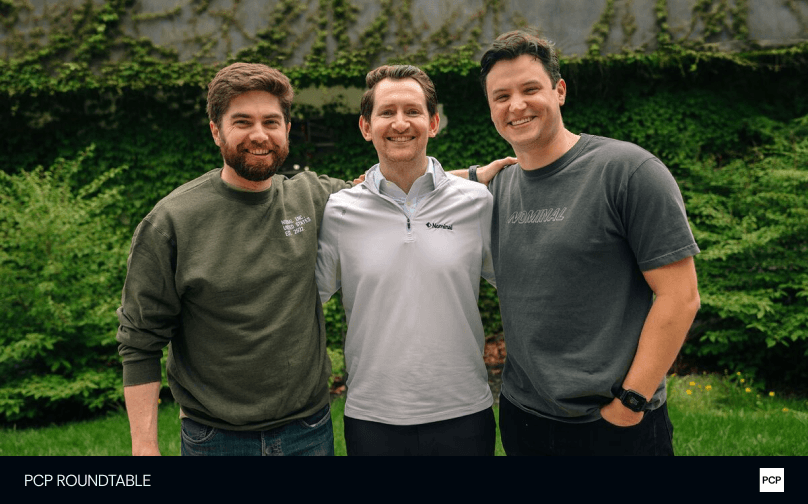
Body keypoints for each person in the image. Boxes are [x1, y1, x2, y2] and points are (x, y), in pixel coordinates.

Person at [477, 31, 701, 455]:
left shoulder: (628, 172)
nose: (516, 105)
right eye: (501, 96)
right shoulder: (496, 188)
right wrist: (474, 174)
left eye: (530, 89)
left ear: (559, 91)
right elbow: (410, 187)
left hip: (615, 421)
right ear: (491, 109)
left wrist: (630, 403)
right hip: (524, 416)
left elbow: (680, 296)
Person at [116, 62, 356, 456]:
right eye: (242, 121)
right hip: (215, 440)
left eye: (271, 121)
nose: (259, 135)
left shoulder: (311, 198)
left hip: (309, 432)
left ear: (287, 129)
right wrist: (145, 448)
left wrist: (474, 176)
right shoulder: (171, 221)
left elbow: (393, 192)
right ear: (216, 130)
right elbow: (140, 341)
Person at [316, 65, 504, 455]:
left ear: (433, 123)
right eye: (386, 112)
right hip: (372, 417)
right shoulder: (339, 211)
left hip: (464, 412)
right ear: (366, 126)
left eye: (413, 111)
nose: (400, 123)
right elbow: (307, 301)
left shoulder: (475, 202)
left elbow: (522, 287)